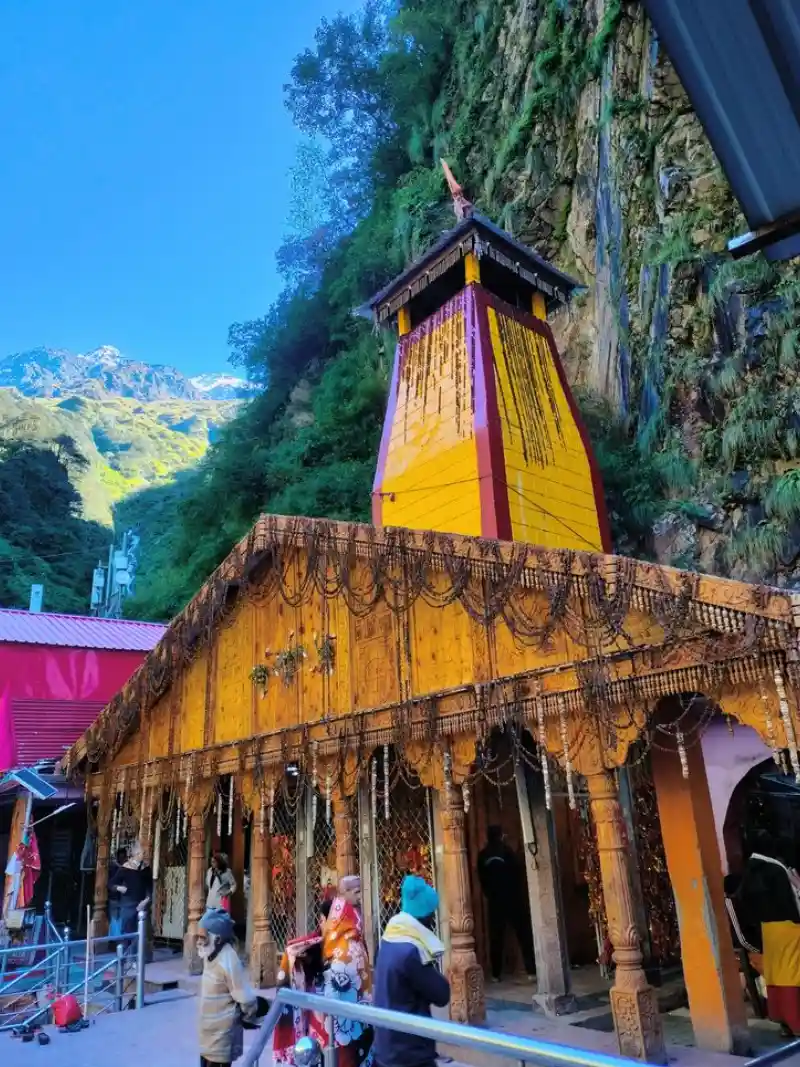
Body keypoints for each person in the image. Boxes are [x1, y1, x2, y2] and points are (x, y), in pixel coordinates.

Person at [373, 875, 450, 1067]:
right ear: (425, 916)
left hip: (387, 1045)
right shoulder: (411, 951)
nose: (433, 919)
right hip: (408, 1053)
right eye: (432, 914)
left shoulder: (389, 939)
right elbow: (442, 994)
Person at [737, 835, 800, 1036]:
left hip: (768, 930)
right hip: (789, 928)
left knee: (775, 974)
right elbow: (791, 901)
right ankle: (797, 1022)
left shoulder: (750, 869)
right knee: (792, 974)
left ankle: (783, 1021)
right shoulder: (776, 869)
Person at [321, 875, 373, 1067]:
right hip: (345, 998)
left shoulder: (349, 916)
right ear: (345, 893)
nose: (360, 896)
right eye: (356, 892)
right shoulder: (342, 920)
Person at [197, 908, 259, 1067]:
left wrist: (250, 1014)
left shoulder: (228, 959)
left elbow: (244, 997)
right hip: (207, 1035)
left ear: (217, 939)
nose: (198, 942)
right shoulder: (208, 952)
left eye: (202, 937)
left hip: (221, 1037)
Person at [477, 826, 535, 982]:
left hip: (495, 901)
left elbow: (482, 880)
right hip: (513, 898)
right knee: (523, 934)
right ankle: (531, 970)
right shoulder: (508, 852)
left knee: (496, 937)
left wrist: (490, 894)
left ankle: (496, 974)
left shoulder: (483, 856)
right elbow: (518, 873)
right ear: (501, 836)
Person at [108, 840, 152, 939]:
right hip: (128, 905)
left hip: (142, 904)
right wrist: (119, 888)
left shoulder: (145, 869)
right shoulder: (125, 868)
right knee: (127, 934)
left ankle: (138, 953)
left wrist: (146, 900)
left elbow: (150, 886)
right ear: (136, 854)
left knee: (142, 935)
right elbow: (111, 884)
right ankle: (126, 953)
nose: (143, 855)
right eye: (142, 853)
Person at [108, 847, 127, 938]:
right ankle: (115, 939)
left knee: (117, 919)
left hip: (120, 898)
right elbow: (110, 883)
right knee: (115, 919)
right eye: (122, 857)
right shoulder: (115, 868)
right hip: (115, 897)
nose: (123, 859)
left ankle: (115, 939)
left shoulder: (123, 868)